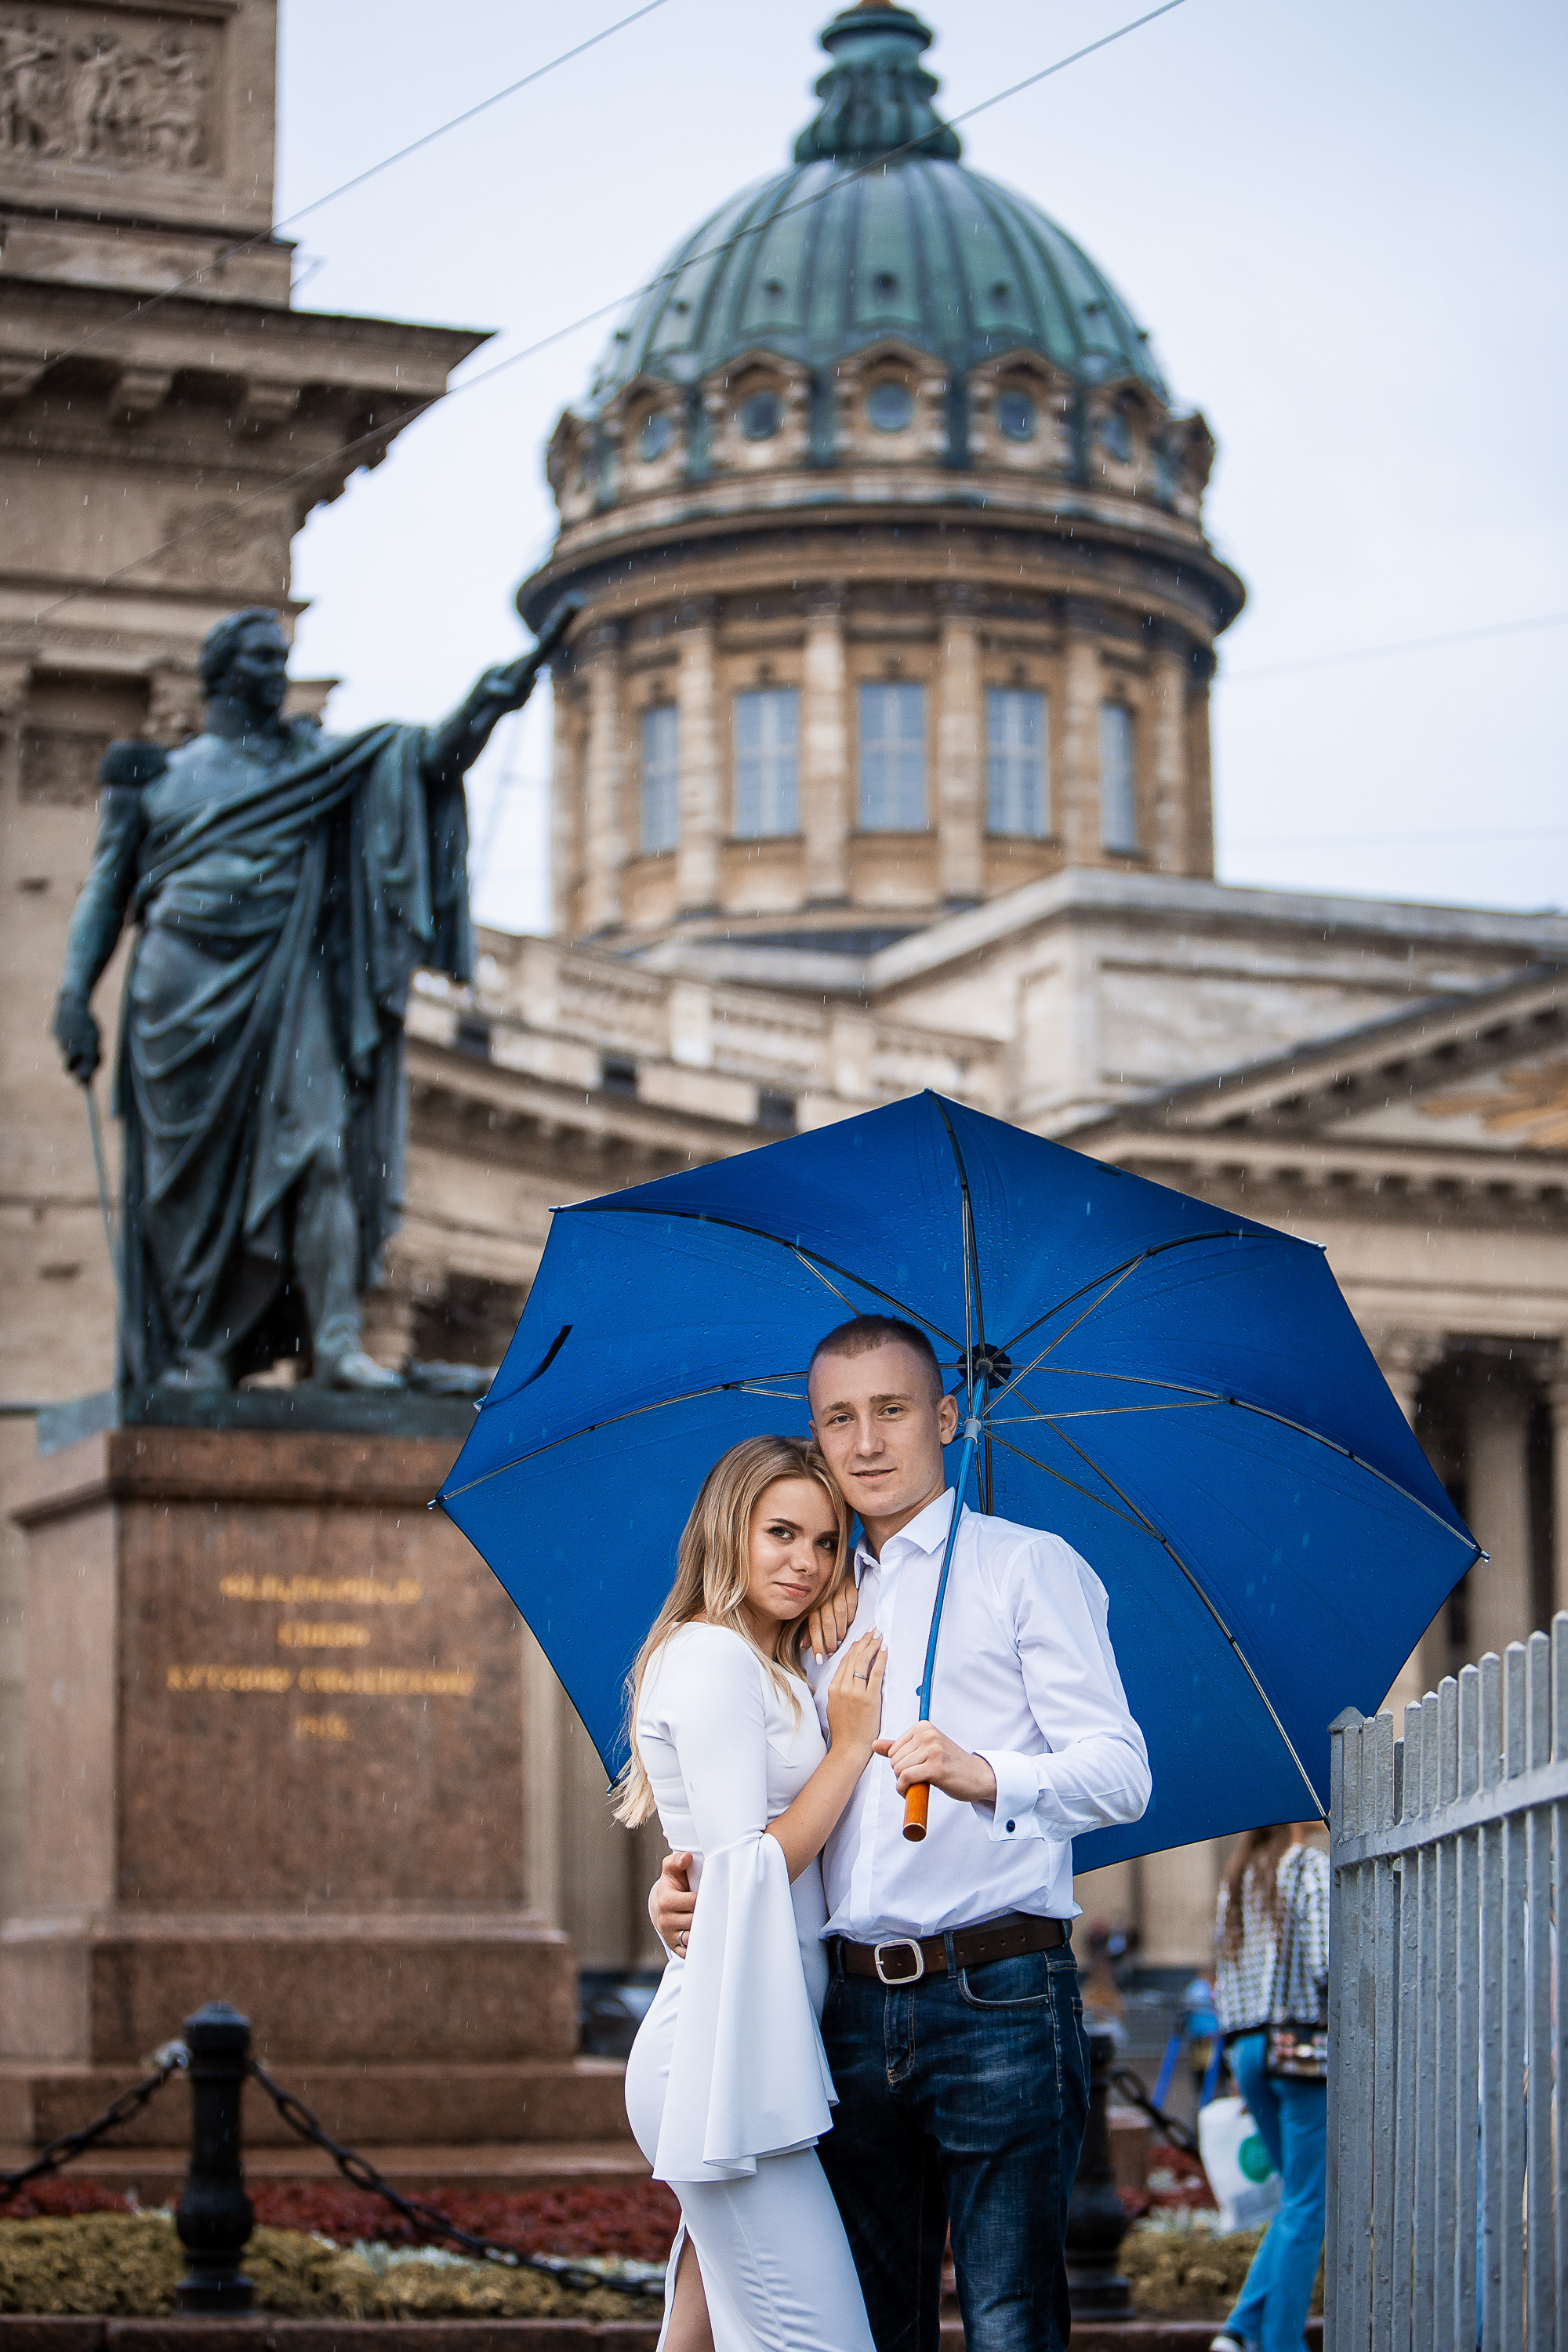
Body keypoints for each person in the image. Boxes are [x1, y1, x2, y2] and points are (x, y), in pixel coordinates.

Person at [652, 1314, 1151, 2352]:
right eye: (840, 1417)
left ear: (948, 1419)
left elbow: (1121, 1773)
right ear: (816, 1433)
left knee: (1012, 2322)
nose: (866, 1443)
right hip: (844, 2010)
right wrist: (684, 1892)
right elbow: (761, 1805)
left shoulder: (1026, 1567)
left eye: (891, 1412)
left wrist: (983, 1773)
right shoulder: (810, 1596)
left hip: (998, 1992)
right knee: (875, 2329)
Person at [50, 599, 573, 1391]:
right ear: (222, 672)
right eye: (262, 657)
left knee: (321, 1155)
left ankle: (334, 1342)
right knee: (184, 1186)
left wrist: (489, 701)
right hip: (179, 989)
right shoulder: (157, 780)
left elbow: (426, 759)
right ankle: (199, 1350)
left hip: (291, 981)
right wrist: (71, 992)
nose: (278, 671)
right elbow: (103, 894)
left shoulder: (311, 762)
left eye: (281, 656)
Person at [616, 1432, 885, 2352]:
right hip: (722, 2054)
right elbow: (739, 1871)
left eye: (824, 1543)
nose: (804, 1563)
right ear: (728, 1528)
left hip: (750, 2042)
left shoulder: (766, 1665)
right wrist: (849, 1745)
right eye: (780, 1533)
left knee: (699, 2333)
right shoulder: (710, 1660)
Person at [1208, 1824, 1329, 2352]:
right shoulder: (1307, 1867)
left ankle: (1237, 2332)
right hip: (1298, 2048)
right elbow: (1327, 1962)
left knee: (1293, 2198)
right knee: (1307, 2203)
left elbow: (1224, 1974)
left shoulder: (1234, 1879)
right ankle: (1282, 2343)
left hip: (1247, 2049)